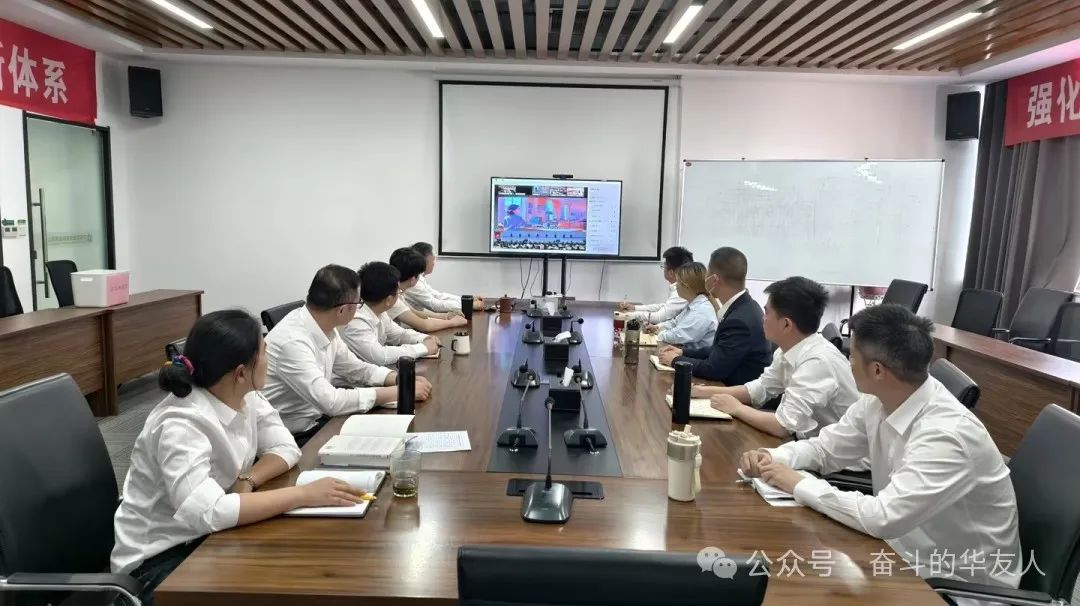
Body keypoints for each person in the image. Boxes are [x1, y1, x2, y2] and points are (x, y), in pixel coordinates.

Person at [738, 305, 1020, 590]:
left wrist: (798, 483)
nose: (847, 361)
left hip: (955, 583)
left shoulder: (946, 435)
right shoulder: (879, 399)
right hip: (900, 550)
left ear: (877, 370)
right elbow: (826, 449)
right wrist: (773, 457)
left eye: (851, 355)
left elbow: (883, 517)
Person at [112, 310, 363, 604]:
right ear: (241, 372)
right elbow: (210, 512)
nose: (269, 359)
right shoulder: (180, 424)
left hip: (207, 537)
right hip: (158, 564)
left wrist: (248, 479)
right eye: (265, 351)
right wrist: (303, 494)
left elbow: (285, 447)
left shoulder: (244, 393)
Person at [262, 264, 432, 444]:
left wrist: (400, 379)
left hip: (319, 419)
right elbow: (331, 402)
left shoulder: (324, 325)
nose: (360, 308)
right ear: (342, 310)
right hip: (293, 437)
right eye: (359, 304)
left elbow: (355, 368)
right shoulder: (293, 342)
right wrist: (400, 391)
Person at [693, 276, 859, 439]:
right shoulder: (788, 349)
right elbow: (761, 389)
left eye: (767, 312)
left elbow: (783, 426)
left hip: (839, 454)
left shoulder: (817, 362)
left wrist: (737, 408)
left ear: (786, 324)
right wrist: (702, 391)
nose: (762, 318)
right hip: (812, 442)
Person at [658, 247, 770, 384]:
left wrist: (674, 360)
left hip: (732, 390)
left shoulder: (739, 320)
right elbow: (719, 350)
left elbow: (713, 369)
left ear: (715, 279)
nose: (704, 279)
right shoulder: (743, 306)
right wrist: (683, 352)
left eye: (707, 274)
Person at [342, 261, 440, 366]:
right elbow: (380, 357)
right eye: (398, 292)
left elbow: (400, 334)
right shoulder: (356, 322)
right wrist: (423, 348)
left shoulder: (379, 311)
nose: (399, 294)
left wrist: (424, 338)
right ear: (389, 300)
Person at [389, 247, 469, 333]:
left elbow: (413, 312)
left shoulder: (398, 291)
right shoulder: (392, 297)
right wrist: (454, 322)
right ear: (413, 279)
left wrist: (446, 316)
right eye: (419, 274)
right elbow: (424, 326)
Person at [644, 261, 718, 351]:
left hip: (694, 357)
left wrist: (658, 333)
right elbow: (675, 322)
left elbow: (678, 336)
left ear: (685, 286)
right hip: (683, 351)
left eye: (677, 283)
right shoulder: (693, 303)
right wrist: (658, 327)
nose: (675, 286)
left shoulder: (701, 311)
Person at [403, 241, 484, 313]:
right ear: (423, 261)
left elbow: (438, 296)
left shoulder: (419, 278)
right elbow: (435, 305)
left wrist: (468, 300)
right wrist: (469, 305)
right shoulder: (412, 281)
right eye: (433, 259)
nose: (434, 263)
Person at [619, 246, 693, 324]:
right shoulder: (681, 289)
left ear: (671, 273)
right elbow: (665, 307)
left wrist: (629, 315)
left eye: (664, 267)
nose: (663, 270)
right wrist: (634, 308)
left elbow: (658, 317)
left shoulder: (681, 293)